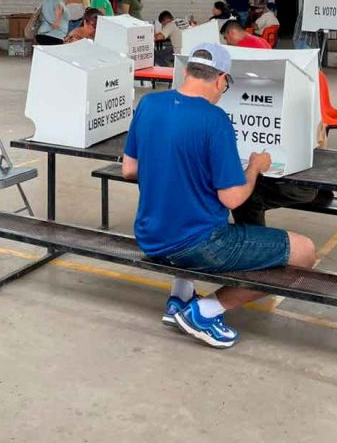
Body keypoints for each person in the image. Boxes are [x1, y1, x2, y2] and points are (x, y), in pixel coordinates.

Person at [122, 43, 318, 348]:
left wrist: (171, 167)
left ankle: (180, 297)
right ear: (220, 79)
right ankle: (204, 312)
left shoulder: (149, 104)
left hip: (151, 237)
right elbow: (233, 199)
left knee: (192, 211)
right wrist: (255, 167)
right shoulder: (215, 120)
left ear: (186, 73)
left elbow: (129, 169)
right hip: (198, 245)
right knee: (304, 251)